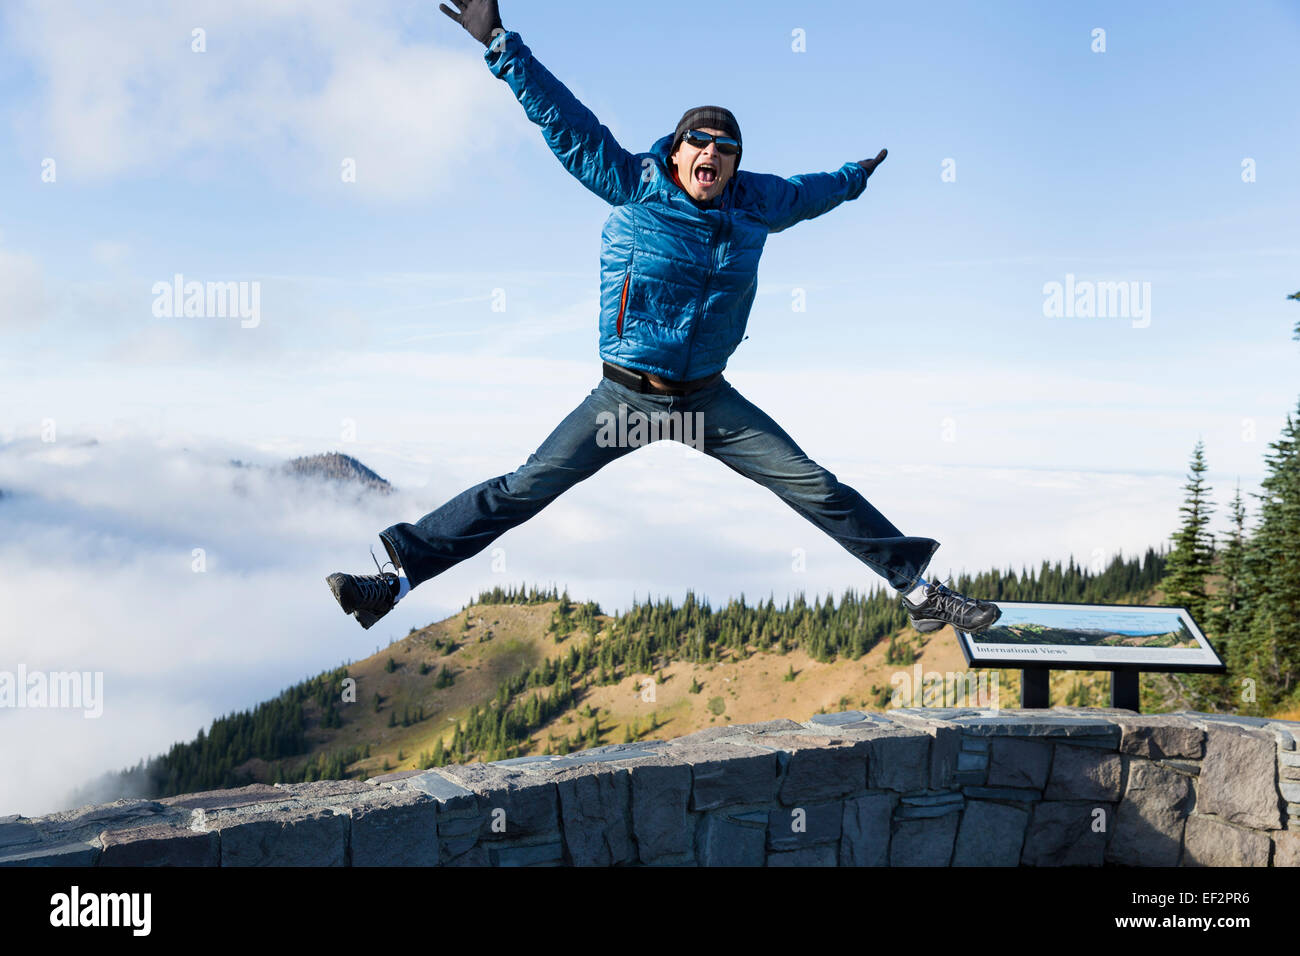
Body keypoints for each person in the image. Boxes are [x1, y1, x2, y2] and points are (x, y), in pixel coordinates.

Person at [327, 0, 1001, 637]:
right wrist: (503, 46)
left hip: (708, 400)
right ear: (676, 151)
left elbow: (813, 192)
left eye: (726, 146)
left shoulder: (757, 202)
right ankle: (393, 579)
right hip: (624, 396)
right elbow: (564, 121)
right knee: (525, 489)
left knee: (814, 486)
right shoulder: (629, 182)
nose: (712, 153)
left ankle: (918, 593)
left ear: (736, 163)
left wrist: (854, 176)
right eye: (699, 141)